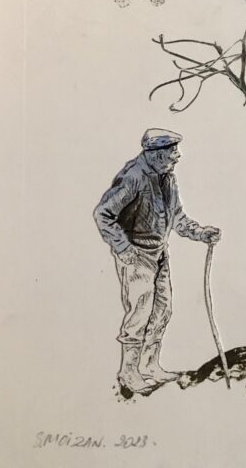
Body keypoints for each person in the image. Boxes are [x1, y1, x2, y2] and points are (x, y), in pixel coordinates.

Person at [93, 128, 221, 394]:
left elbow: (177, 217)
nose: (178, 155)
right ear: (157, 154)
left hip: (159, 254)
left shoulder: (167, 177)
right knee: (139, 314)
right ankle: (129, 373)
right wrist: (124, 249)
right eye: (173, 151)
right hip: (137, 257)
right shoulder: (134, 176)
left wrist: (201, 233)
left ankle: (150, 366)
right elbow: (103, 214)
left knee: (162, 310)